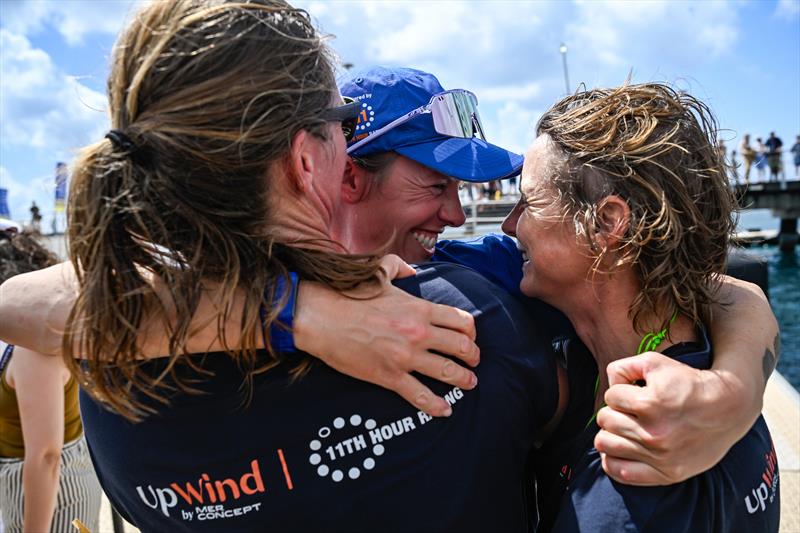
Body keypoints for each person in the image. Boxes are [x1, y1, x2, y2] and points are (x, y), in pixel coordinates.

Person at [0, 58, 778, 503]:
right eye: (434, 183)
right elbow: (24, 303)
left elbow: (705, 281)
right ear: (345, 176)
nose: (458, 212)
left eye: (466, 188)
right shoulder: (213, 267)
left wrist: (733, 387)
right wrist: (296, 311)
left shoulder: (468, 272)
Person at [501, 83, 779, 532]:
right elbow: (734, 292)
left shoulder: (629, 487)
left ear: (606, 223)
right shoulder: (702, 352)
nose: (508, 224)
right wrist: (736, 387)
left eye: (529, 202)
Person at [0, 230, 101, 532]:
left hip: (50, 492)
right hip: (43, 484)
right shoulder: (32, 337)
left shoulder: (30, 344)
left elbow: (46, 455)